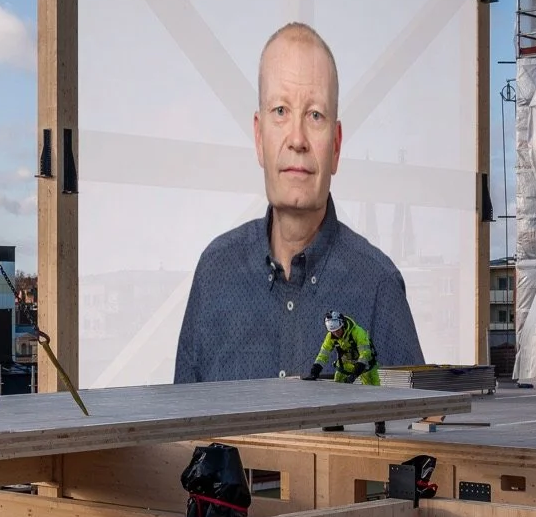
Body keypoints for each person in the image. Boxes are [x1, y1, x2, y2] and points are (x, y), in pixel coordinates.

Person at [174, 22, 423, 383]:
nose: (297, 139)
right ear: (259, 137)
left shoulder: (378, 287)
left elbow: (415, 427)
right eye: (280, 111)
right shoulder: (215, 273)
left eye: (315, 115)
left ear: (336, 146)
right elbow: (180, 432)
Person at [305, 310, 379, 384]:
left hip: (366, 365)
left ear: (343, 325)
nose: (335, 334)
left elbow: (365, 355)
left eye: (337, 330)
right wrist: (314, 373)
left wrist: (354, 375)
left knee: (373, 390)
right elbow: (323, 355)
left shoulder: (358, 332)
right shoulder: (331, 336)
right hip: (345, 364)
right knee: (337, 387)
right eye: (333, 331)